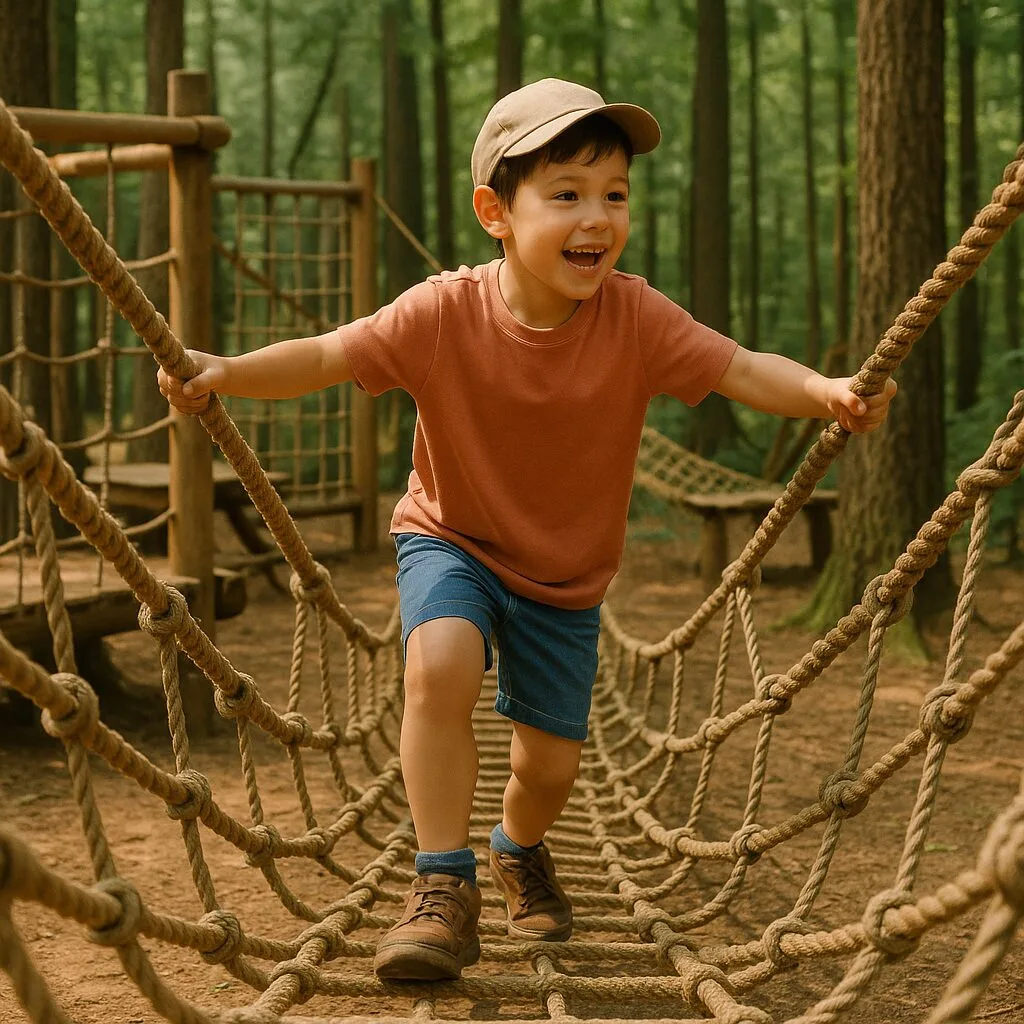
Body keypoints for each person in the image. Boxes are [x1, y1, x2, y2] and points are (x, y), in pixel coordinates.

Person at [159, 78, 896, 983]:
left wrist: (824, 391)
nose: (597, 217)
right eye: (566, 194)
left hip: (567, 577)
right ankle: (442, 885)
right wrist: (224, 371)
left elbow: (740, 367)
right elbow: (327, 354)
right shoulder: (441, 313)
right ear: (495, 212)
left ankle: (517, 847)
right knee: (439, 667)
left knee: (547, 770)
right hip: (452, 537)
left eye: (614, 195)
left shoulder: (635, 317)